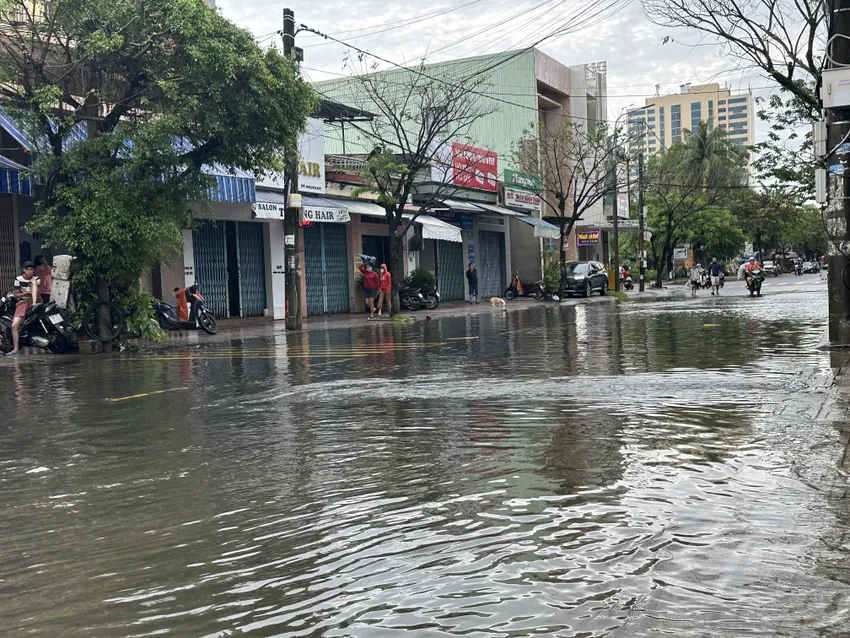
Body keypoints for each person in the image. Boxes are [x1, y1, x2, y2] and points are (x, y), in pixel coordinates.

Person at [7, 261, 40, 357]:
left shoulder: (36, 279)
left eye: (31, 269)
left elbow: (35, 291)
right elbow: (16, 295)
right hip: (23, 302)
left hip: (35, 301)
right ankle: (16, 349)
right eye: (28, 269)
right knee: (14, 325)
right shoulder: (18, 279)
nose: (30, 271)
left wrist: (31, 287)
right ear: (24, 270)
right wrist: (26, 293)